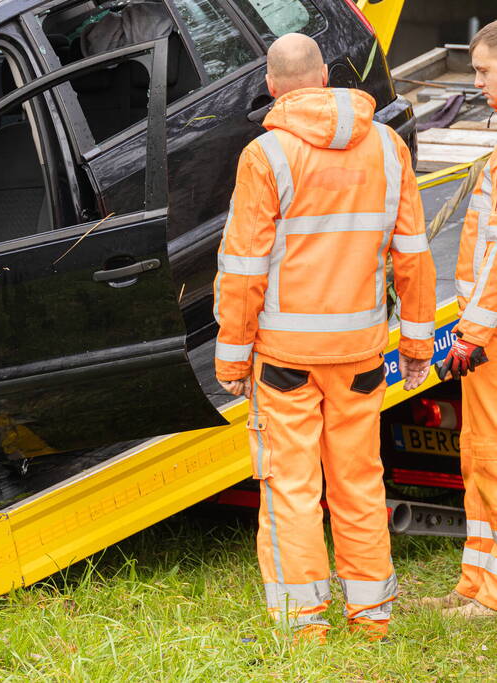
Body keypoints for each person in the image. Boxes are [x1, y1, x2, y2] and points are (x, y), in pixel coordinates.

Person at [213, 33, 436, 641]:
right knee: (360, 481)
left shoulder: (268, 156)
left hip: (286, 360)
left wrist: (231, 358)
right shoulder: (388, 148)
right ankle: (373, 616)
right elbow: (413, 257)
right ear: (327, 77)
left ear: (272, 85)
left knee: (291, 487)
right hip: (361, 353)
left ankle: (302, 621)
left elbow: (243, 270)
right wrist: (417, 347)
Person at [423, 20, 497, 619]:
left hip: (492, 336)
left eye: (483, 70)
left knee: (492, 461)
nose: (476, 83)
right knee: (476, 457)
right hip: (486, 337)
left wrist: (473, 332)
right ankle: (475, 582)